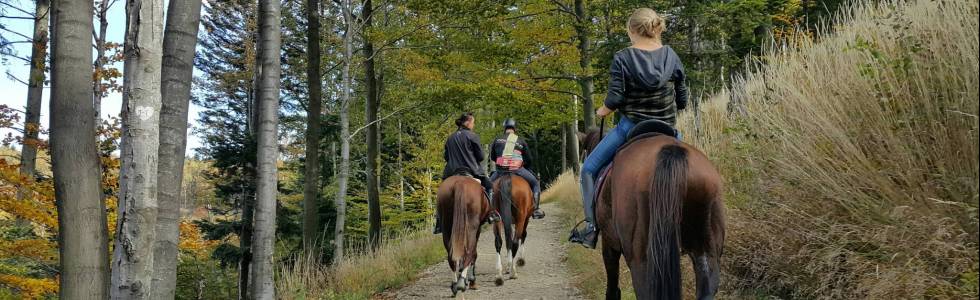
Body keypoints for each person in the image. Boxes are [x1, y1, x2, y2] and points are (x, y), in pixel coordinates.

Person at [569, 8, 689, 248]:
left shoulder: (623, 57)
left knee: (589, 170)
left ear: (633, 31)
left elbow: (614, 99)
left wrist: (602, 110)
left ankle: (591, 228)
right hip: (668, 128)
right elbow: (682, 99)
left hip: (631, 127)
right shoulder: (671, 55)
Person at [434, 112, 499, 234]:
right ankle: (491, 213)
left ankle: (438, 220)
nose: (473, 125)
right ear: (468, 122)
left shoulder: (450, 138)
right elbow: (480, 156)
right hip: (471, 170)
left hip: (451, 172)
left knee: (441, 192)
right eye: (473, 122)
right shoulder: (472, 136)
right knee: (490, 186)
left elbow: (446, 157)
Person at [489, 118, 545, 219]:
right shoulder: (520, 140)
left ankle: (490, 212)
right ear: (515, 128)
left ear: (504, 128)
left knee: (487, 186)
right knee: (535, 183)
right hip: (517, 170)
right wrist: (526, 167)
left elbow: (493, 157)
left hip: (500, 171)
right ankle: (536, 210)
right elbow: (529, 159)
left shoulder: (497, 139)